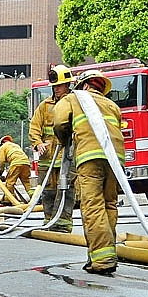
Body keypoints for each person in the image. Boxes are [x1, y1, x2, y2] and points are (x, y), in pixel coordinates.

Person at [52, 69, 125, 275]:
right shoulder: (112, 105)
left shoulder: (74, 98)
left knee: (92, 205)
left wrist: (64, 139)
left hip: (89, 157)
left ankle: (102, 259)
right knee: (109, 203)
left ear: (84, 85)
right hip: (115, 159)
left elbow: (59, 122)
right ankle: (104, 253)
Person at [28, 64, 76, 232]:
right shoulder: (45, 106)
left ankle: (62, 224)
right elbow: (34, 127)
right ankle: (49, 222)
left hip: (67, 157)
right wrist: (38, 143)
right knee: (48, 192)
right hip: (47, 158)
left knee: (65, 191)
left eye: (59, 85)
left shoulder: (74, 104)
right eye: (54, 86)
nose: (56, 89)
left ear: (68, 85)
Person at [0, 135, 32, 203]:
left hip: (16, 163)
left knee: (10, 182)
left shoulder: (3, 147)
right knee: (26, 182)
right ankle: (33, 197)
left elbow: (2, 161)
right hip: (26, 163)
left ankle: (10, 199)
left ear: (2, 142)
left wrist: (0, 172)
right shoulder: (16, 145)